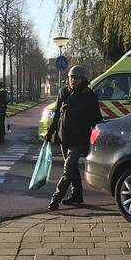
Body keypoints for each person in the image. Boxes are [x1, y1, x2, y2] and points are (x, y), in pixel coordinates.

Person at [44, 65, 102, 210]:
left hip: (79, 139)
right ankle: (77, 195)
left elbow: (96, 120)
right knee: (72, 168)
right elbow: (57, 114)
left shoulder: (90, 96)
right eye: (70, 78)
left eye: (76, 78)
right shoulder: (64, 92)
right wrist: (50, 132)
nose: (72, 81)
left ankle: (56, 198)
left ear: (83, 79)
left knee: (68, 168)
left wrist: (99, 138)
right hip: (63, 137)